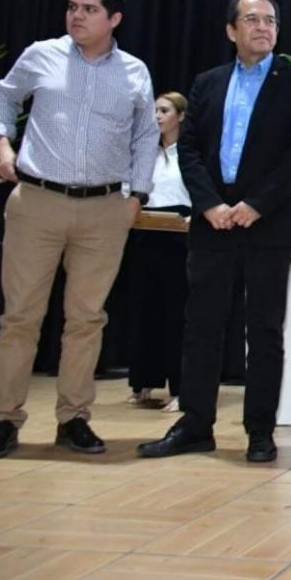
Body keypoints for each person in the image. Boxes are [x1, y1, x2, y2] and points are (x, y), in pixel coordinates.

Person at [0, 0, 157, 461]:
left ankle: (74, 418)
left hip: (105, 209)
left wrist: (137, 196)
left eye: (89, 9)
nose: (76, 16)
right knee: (20, 316)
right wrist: (1, 145)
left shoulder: (134, 72)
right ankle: (3, 420)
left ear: (114, 19)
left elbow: (146, 135)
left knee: (86, 318)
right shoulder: (41, 55)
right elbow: (5, 97)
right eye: (72, 7)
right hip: (37, 200)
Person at [137, 0, 291, 463]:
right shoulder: (209, 82)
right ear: (231, 30)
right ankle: (195, 425)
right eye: (252, 19)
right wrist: (210, 204)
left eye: (270, 20)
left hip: (268, 223)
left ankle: (260, 431)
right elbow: (190, 149)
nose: (263, 27)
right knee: (202, 327)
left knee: (264, 331)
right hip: (213, 222)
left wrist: (256, 205)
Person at [124, 92, 192, 412]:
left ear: (180, 116)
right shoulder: (145, 153)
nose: (158, 116)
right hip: (146, 230)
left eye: (164, 110)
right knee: (144, 309)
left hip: (180, 233)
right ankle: (143, 382)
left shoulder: (189, 154)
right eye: (155, 111)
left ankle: (181, 388)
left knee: (177, 313)